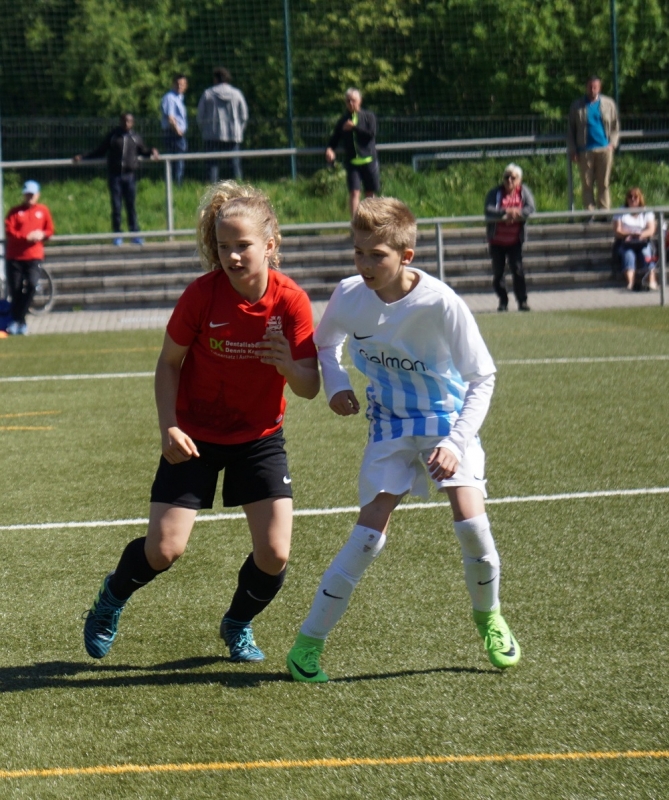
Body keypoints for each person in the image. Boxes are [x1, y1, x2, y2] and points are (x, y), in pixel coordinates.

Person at [286, 197, 521, 683]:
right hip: (389, 424)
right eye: (358, 253)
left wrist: (455, 443)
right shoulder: (349, 294)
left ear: (406, 256)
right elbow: (326, 344)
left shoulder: (441, 303)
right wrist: (337, 385)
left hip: (446, 422)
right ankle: (307, 645)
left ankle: (489, 618)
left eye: (377, 255)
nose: (365, 265)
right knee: (367, 537)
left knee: (471, 523)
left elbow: (483, 377)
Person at [83, 181, 320, 662]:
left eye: (243, 245)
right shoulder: (201, 295)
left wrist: (289, 367)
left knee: (275, 554)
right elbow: (169, 362)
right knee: (164, 550)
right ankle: (111, 596)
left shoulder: (291, 301)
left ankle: (237, 623)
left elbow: (310, 386)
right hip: (194, 435)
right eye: (224, 246)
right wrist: (168, 426)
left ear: (270, 245)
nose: (232, 256)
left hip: (258, 437)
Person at [73, 113, 159, 246]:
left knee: (131, 206)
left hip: (129, 176)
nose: (126, 124)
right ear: (120, 122)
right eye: (124, 121)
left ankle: (134, 233)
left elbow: (143, 150)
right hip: (115, 176)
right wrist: (83, 157)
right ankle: (117, 234)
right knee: (117, 206)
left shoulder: (135, 137)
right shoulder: (113, 136)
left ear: (132, 123)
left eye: (129, 121)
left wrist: (152, 151)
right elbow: (100, 151)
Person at [4, 180, 54, 335]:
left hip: (34, 256)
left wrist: (42, 234)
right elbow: (9, 231)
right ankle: (20, 322)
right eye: (27, 194)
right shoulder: (14, 212)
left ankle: (17, 319)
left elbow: (49, 230)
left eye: (32, 194)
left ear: (38, 195)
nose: (30, 197)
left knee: (32, 284)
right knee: (16, 289)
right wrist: (25, 237)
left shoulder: (43, 211)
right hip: (15, 257)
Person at [484, 163, 535, 312]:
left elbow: (531, 208)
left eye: (513, 178)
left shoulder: (524, 192)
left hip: (515, 240)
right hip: (497, 240)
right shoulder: (495, 193)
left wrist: (517, 212)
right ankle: (503, 301)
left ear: (519, 179)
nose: (509, 181)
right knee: (498, 273)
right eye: (506, 177)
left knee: (518, 270)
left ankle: (522, 301)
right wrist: (505, 212)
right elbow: (488, 209)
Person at [567, 76, 620, 212]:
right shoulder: (577, 106)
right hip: (584, 150)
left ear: (599, 88)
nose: (592, 89)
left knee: (604, 183)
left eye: (595, 87)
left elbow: (615, 127)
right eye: (590, 87)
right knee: (587, 184)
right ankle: (589, 213)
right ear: (586, 87)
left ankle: (604, 212)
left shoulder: (609, 104)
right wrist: (573, 149)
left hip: (604, 149)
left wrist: (612, 144)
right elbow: (571, 130)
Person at [326, 88, 380, 218]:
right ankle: (355, 223)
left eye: (353, 100)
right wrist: (330, 149)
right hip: (352, 163)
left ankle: (371, 221)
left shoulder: (368, 116)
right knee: (354, 192)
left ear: (360, 101)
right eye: (348, 101)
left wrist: (354, 128)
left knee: (370, 193)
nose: (351, 103)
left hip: (369, 161)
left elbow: (371, 134)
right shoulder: (343, 120)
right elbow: (334, 139)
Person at [196, 68, 248, 183]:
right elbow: (244, 116)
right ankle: (238, 188)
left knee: (212, 166)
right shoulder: (237, 94)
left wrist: (204, 130)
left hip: (212, 135)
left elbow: (200, 116)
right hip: (233, 135)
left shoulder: (208, 94)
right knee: (235, 166)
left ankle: (212, 190)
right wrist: (239, 130)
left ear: (215, 79)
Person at [613, 187, 658, 291]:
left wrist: (641, 235)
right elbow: (617, 230)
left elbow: (651, 230)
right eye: (630, 197)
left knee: (646, 253)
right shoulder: (621, 211)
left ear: (640, 198)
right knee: (628, 255)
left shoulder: (646, 211)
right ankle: (631, 283)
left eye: (635, 197)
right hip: (625, 241)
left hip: (642, 241)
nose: (632, 199)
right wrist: (629, 234)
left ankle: (652, 281)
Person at [160, 74, 188, 187]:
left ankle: (176, 185)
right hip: (173, 133)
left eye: (182, 84)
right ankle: (176, 186)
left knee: (179, 161)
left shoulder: (179, 98)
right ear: (173, 84)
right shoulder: (170, 97)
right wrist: (177, 131)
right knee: (176, 161)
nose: (180, 86)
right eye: (177, 84)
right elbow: (170, 117)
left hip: (177, 133)